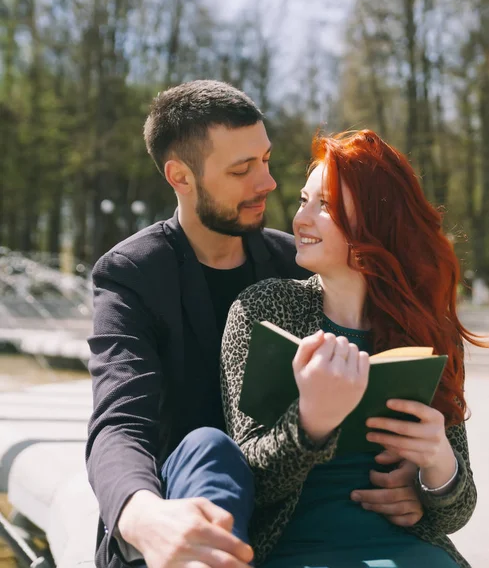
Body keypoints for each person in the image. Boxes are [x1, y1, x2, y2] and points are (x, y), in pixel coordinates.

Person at [86, 81, 423, 568]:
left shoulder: (299, 261)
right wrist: (143, 515)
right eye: (242, 169)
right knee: (208, 445)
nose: (267, 183)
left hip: (288, 520)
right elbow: (118, 423)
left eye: (265, 159)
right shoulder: (131, 275)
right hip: (185, 506)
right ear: (180, 177)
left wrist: (416, 481)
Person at [221, 129, 483, 568]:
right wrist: (311, 424)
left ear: (375, 220)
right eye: (304, 201)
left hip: (410, 549)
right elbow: (246, 480)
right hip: (291, 549)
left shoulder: (426, 328)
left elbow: (457, 511)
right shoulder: (263, 308)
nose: (301, 220)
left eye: (324, 206)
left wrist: (437, 464)